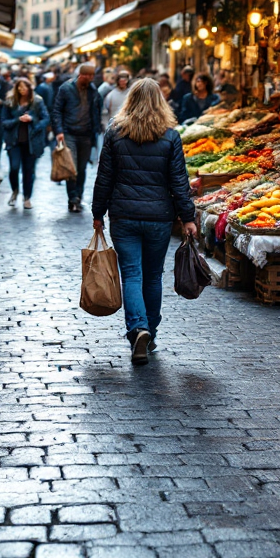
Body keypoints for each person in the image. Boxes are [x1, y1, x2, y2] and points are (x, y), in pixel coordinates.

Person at [92, 79, 197, 365]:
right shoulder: (170, 136)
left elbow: (105, 178)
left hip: (123, 216)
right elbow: (179, 182)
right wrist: (187, 217)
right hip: (158, 218)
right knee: (152, 276)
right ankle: (150, 330)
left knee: (132, 275)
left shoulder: (115, 133)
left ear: (130, 99)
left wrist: (97, 213)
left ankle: (138, 328)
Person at [52, 63, 102, 213]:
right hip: (69, 133)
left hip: (86, 134)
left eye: (92, 76)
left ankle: (78, 197)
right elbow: (57, 111)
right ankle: (72, 198)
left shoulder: (93, 90)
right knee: (71, 167)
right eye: (88, 75)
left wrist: (97, 128)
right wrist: (59, 130)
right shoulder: (66, 88)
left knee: (82, 168)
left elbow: (97, 110)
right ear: (81, 75)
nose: (90, 78)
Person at [1, 77, 50, 209]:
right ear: (16, 88)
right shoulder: (10, 102)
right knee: (14, 168)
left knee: (29, 171)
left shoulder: (37, 101)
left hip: (31, 142)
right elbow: (4, 122)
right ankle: (15, 191)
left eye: (25, 87)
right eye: (20, 87)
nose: (22, 90)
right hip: (14, 141)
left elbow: (45, 119)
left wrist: (32, 120)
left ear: (30, 88)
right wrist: (18, 119)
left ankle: (27, 197)